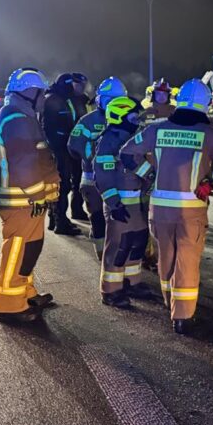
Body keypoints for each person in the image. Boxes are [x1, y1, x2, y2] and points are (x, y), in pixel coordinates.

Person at [120, 79, 213, 334]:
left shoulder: (157, 130)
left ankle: (169, 301)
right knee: (187, 259)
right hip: (191, 209)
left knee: (166, 255)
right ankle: (182, 317)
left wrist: (150, 174)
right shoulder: (208, 133)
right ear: (205, 104)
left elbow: (127, 153)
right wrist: (210, 183)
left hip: (159, 208)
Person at [0, 68, 60, 324]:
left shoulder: (19, 116)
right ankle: (9, 305)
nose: (44, 99)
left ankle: (25, 293)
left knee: (29, 248)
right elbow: (24, 163)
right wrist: (37, 195)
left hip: (27, 200)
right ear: (30, 93)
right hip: (23, 200)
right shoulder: (17, 119)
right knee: (18, 250)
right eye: (41, 93)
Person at [93, 96, 154, 308]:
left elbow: (140, 166)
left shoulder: (133, 137)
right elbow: (102, 175)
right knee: (119, 247)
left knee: (137, 242)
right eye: (133, 117)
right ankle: (110, 290)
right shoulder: (108, 141)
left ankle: (132, 282)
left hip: (136, 202)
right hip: (120, 204)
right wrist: (114, 203)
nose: (137, 121)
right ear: (120, 116)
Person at [68, 76, 127, 259]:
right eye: (109, 100)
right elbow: (74, 145)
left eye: (116, 100)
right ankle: (103, 256)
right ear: (100, 100)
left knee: (117, 219)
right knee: (98, 218)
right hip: (92, 180)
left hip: (118, 181)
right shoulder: (88, 121)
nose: (112, 105)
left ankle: (114, 255)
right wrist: (94, 158)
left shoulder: (128, 120)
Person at [41, 73, 84, 236]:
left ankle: (56, 219)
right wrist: (58, 145)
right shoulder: (53, 100)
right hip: (58, 149)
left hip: (62, 148)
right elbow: (48, 128)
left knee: (60, 184)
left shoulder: (62, 99)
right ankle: (60, 221)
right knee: (61, 184)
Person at [66, 72, 91, 222]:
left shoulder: (85, 100)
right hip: (71, 143)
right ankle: (60, 214)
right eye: (78, 84)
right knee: (69, 180)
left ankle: (77, 209)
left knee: (79, 178)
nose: (81, 87)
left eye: (83, 85)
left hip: (84, 143)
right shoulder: (67, 100)